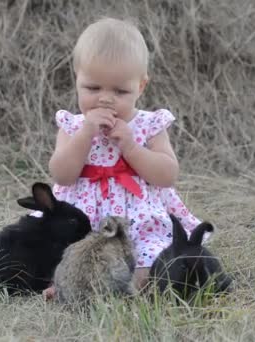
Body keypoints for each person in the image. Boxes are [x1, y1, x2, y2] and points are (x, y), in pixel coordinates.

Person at [39, 17, 204, 299]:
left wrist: (132, 148)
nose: (105, 99)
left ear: (141, 87)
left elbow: (167, 175)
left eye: (120, 91)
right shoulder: (72, 126)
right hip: (83, 216)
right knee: (60, 250)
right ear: (77, 78)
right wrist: (86, 133)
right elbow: (62, 174)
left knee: (150, 254)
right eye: (93, 88)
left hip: (136, 216)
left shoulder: (149, 125)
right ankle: (68, 284)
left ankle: (138, 286)